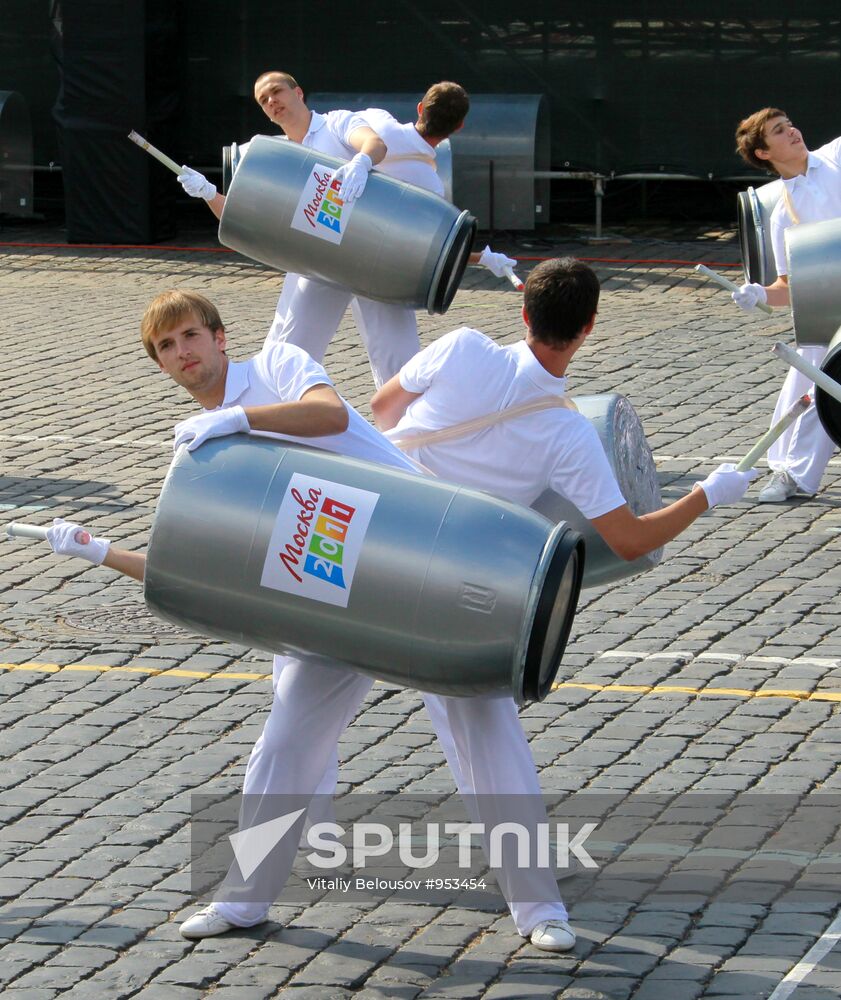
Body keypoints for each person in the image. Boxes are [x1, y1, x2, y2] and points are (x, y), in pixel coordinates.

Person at [43, 289, 589, 953]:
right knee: (284, 748)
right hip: (330, 605)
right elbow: (195, 564)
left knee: (486, 733)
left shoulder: (276, 363)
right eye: (165, 347)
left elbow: (328, 415)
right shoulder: (203, 448)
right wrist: (99, 551)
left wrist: (236, 418)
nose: (181, 352)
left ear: (219, 337)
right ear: (160, 366)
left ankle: (540, 911)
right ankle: (244, 900)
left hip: (419, 558)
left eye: (188, 335)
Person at [177, 73, 516, 387]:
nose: (271, 101)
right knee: (286, 353)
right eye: (263, 99)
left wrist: (363, 160)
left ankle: (405, 439)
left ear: (298, 92)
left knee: (398, 367)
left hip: (376, 269)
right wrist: (211, 194)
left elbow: (422, 241)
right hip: (319, 266)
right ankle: (271, 427)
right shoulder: (277, 156)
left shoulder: (339, 123)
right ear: (459, 127)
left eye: (277, 91)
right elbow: (247, 220)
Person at [732, 108, 840, 502]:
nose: (792, 131)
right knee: (808, 377)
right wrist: (759, 294)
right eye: (779, 131)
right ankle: (789, 473)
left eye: (790, 123)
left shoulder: (836, 156)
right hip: (828, 308)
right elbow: (787, 287)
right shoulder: (782, 215)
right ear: (763, 153)